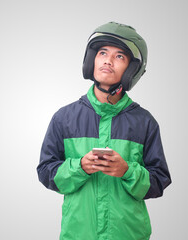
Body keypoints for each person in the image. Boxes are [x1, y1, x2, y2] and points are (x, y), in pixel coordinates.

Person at [37, 21, 171, 240]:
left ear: (131, 69)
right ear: (92, 60)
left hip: (129, 235)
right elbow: (45, 172)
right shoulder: (64, 118)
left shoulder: (144, 122)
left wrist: (127, 171)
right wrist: (79, 167)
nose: (108, 60)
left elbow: (158, 182)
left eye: (119, 56)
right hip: (78, 234)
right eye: (102, 52)